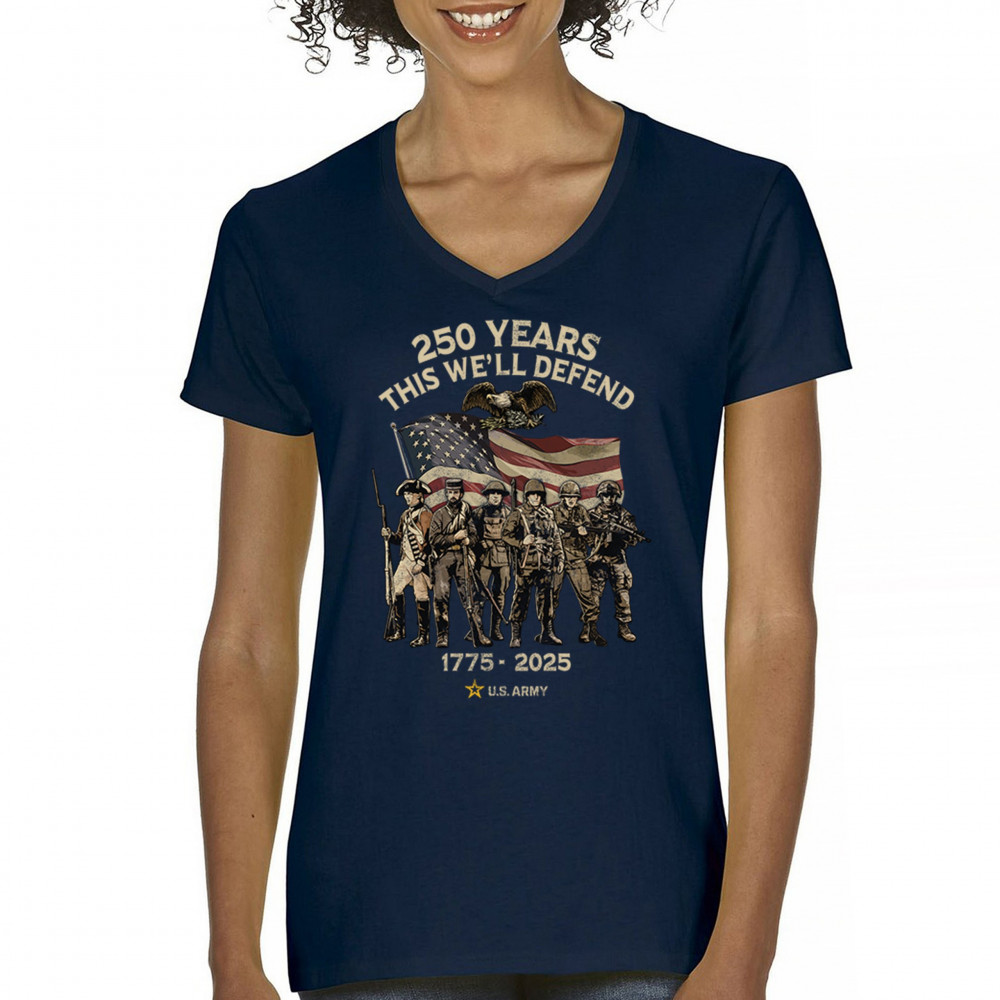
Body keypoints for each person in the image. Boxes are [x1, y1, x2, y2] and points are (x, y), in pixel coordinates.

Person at [178, 0, 853, 997]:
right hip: (374, 927)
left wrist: (743, 952)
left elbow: (771, 618)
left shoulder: (736, 214)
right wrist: (232, 957)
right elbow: (247, 629)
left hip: (654, 925)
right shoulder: (283, 239)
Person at [501, 478, 566, 646]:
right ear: (527, 496)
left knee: (546, 599)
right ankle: (516, 635)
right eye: (532, 494)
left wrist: (560, 558)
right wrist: (521, 542)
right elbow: (505, 535)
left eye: (538, 494)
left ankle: (547, 632)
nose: (536, 497)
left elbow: (555, 537)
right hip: (526, 563)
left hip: (545, 562)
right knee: (520, 598)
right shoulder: (518, 513)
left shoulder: (548, 513)